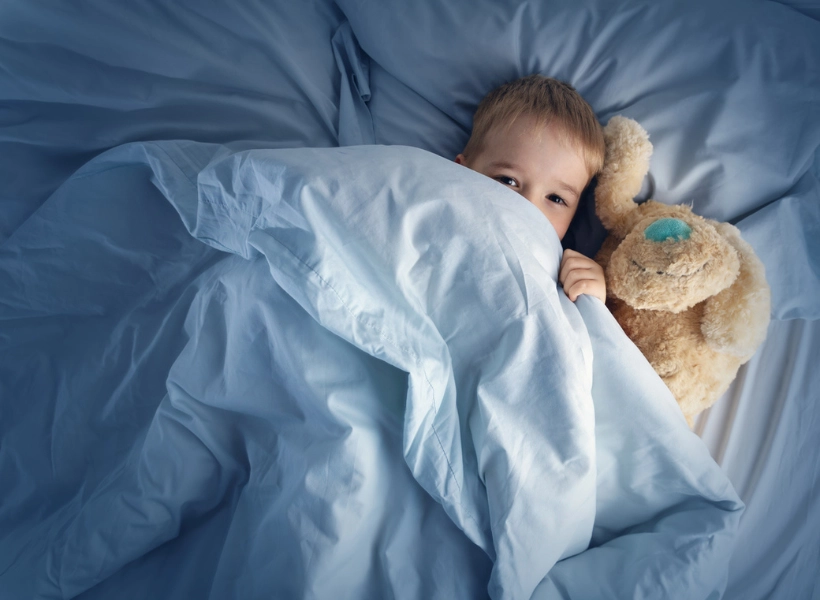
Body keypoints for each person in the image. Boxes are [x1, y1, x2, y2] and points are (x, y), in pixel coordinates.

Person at [456, 74, 607, 303]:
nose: (527, 208)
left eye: (556, 198)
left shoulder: (563, 276)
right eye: (508, 181)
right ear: (458, 172)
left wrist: (592, 299)